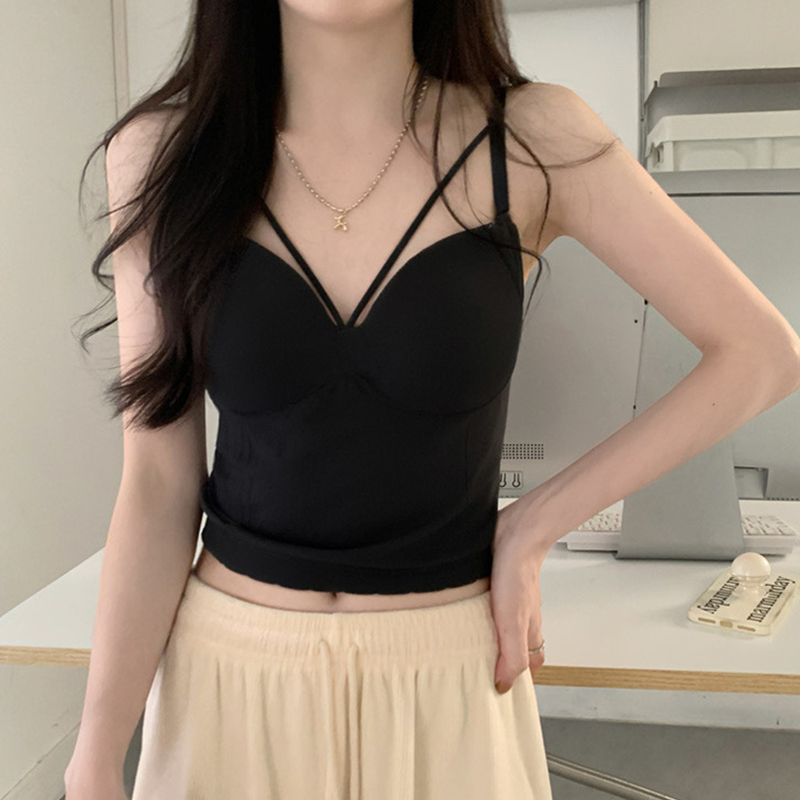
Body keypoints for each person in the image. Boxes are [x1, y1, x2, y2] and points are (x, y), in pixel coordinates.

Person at [66, 1, 800, 799]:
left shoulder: (532, 140)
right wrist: (96, 757)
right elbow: (157, 485)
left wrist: (533, 525)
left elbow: (761, 354)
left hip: (449, 682)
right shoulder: (162, 154)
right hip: (230, 687)